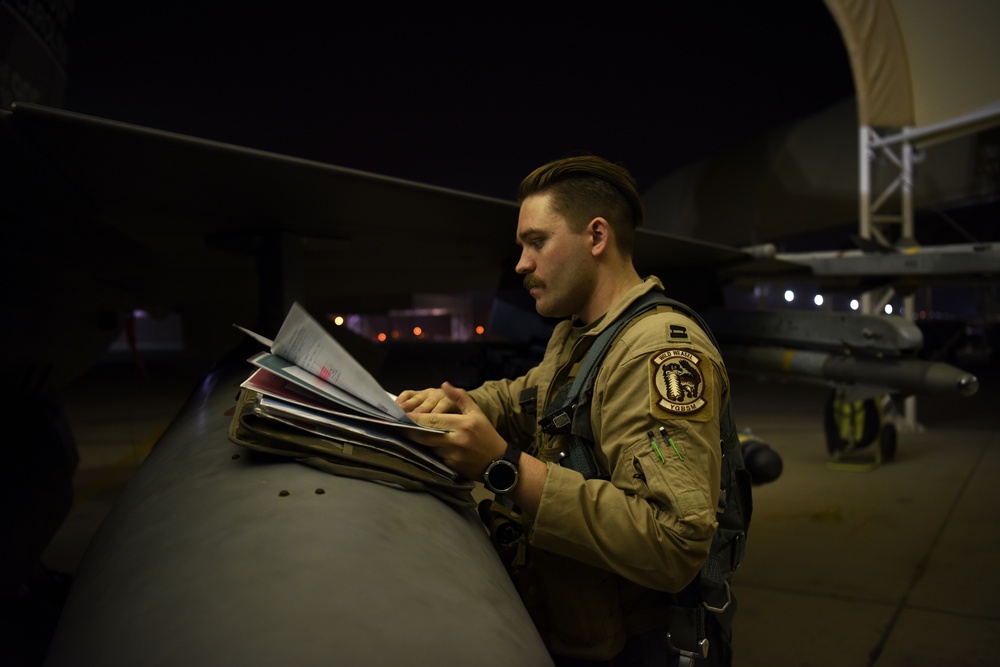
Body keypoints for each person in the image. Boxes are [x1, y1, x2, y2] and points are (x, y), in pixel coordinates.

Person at [396, 155, 731, 666]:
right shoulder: (582, 335)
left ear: (596, 237)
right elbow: (524, 397)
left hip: (639, 647)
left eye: (537, 242)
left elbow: (674, 542)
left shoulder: (655, 352)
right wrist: (456, 404)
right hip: (585, 628)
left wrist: (502, 466)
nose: (521, 264)